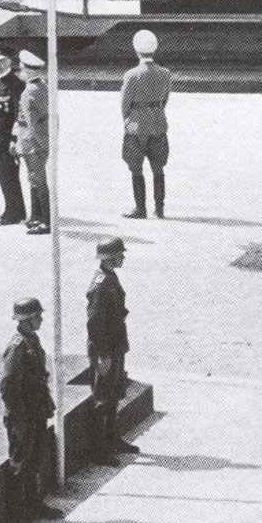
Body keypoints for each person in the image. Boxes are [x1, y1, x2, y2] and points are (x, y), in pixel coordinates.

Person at [0, 297, 65, 523]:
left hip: (35, 411)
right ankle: (17, 516)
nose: (41, 319)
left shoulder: (31, 340)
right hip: (23, 415)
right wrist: (18, 414)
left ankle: (33, 504)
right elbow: (7, 383)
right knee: (20, 463)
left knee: (35, 459)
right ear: (27, 320)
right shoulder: (17, 346)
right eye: (38, 316)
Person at [86, 237, 140, 467]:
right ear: (110, 257)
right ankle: (99, 449)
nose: (123, 257)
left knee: (114, 392)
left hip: (114, 343)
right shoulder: (101, 284)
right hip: (105, 347)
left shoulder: (110, 278)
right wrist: (103, 355)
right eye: (120, 254)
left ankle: (112, 439)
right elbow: (95, 322)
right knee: (102, 398)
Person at [120, 29, 171, 219]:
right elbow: (165, 99)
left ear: (136, 51)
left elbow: (124, 104)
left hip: (136, 124)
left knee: (135, 167)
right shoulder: (165, 73)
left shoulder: (131, 75)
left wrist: (129, 121)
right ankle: (159, 209)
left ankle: (140, 208)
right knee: (158, 168)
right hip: (158, 122)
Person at [0, 45, 27, 225]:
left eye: (1, 61)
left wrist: (14, 139)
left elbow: (19, 114)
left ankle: (13, 211)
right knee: (4, 175)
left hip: (8, 139)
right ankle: (17, 209)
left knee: (9, 175)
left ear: (9, 61)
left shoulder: (15, 84)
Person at [11, 50, 50, 235]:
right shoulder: (43, 86)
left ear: (29, 71)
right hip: (43, 139)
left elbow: (29, 122)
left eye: (22, 69)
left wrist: (21, 142)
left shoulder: (28, 92)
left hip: (32, 142)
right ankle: (36, 217)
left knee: (38, 181)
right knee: (35, 179)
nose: (21, 72)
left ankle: (46, 220)